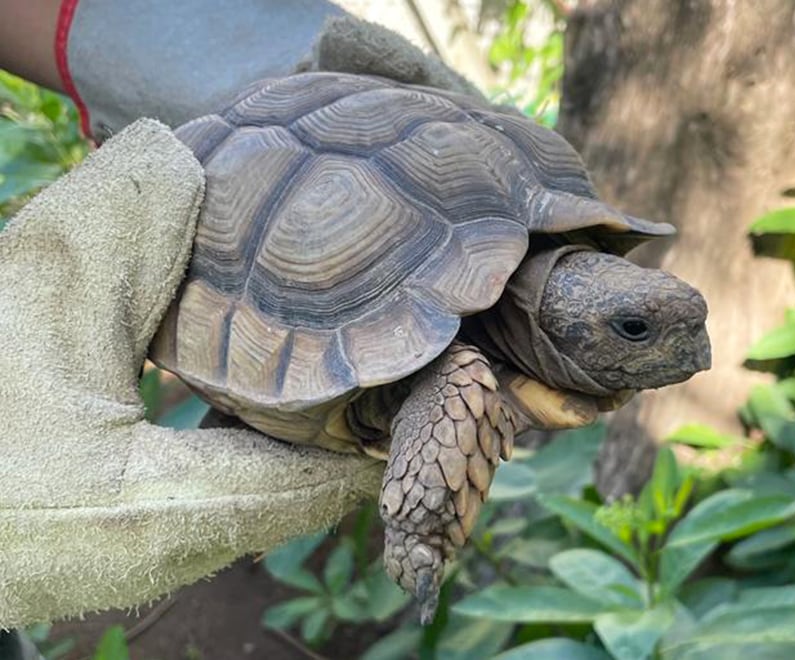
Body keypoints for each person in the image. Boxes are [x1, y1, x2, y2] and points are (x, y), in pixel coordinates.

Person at [0, 0, 527, 633]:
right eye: (632, 330)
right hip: (295, 266)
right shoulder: (457, 369)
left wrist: (182, 36)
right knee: (460, 374)